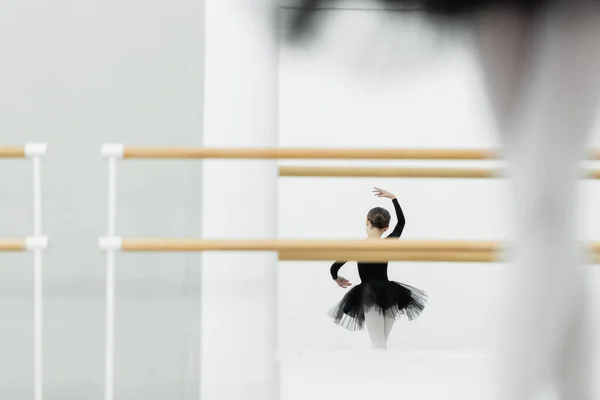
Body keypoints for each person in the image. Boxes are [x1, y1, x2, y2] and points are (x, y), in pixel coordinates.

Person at [328, 187, 428, 349]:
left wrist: (336, 278)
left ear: (367, 221)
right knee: (382, 342)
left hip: (368, 295)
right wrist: (393, 198)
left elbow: (334, 267)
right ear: (386, 228)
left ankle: (378, 372)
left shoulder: (357, 247)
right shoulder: (388, 242)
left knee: (378, 342)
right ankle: (384, 371)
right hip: (390, 293)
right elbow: (401, 223)